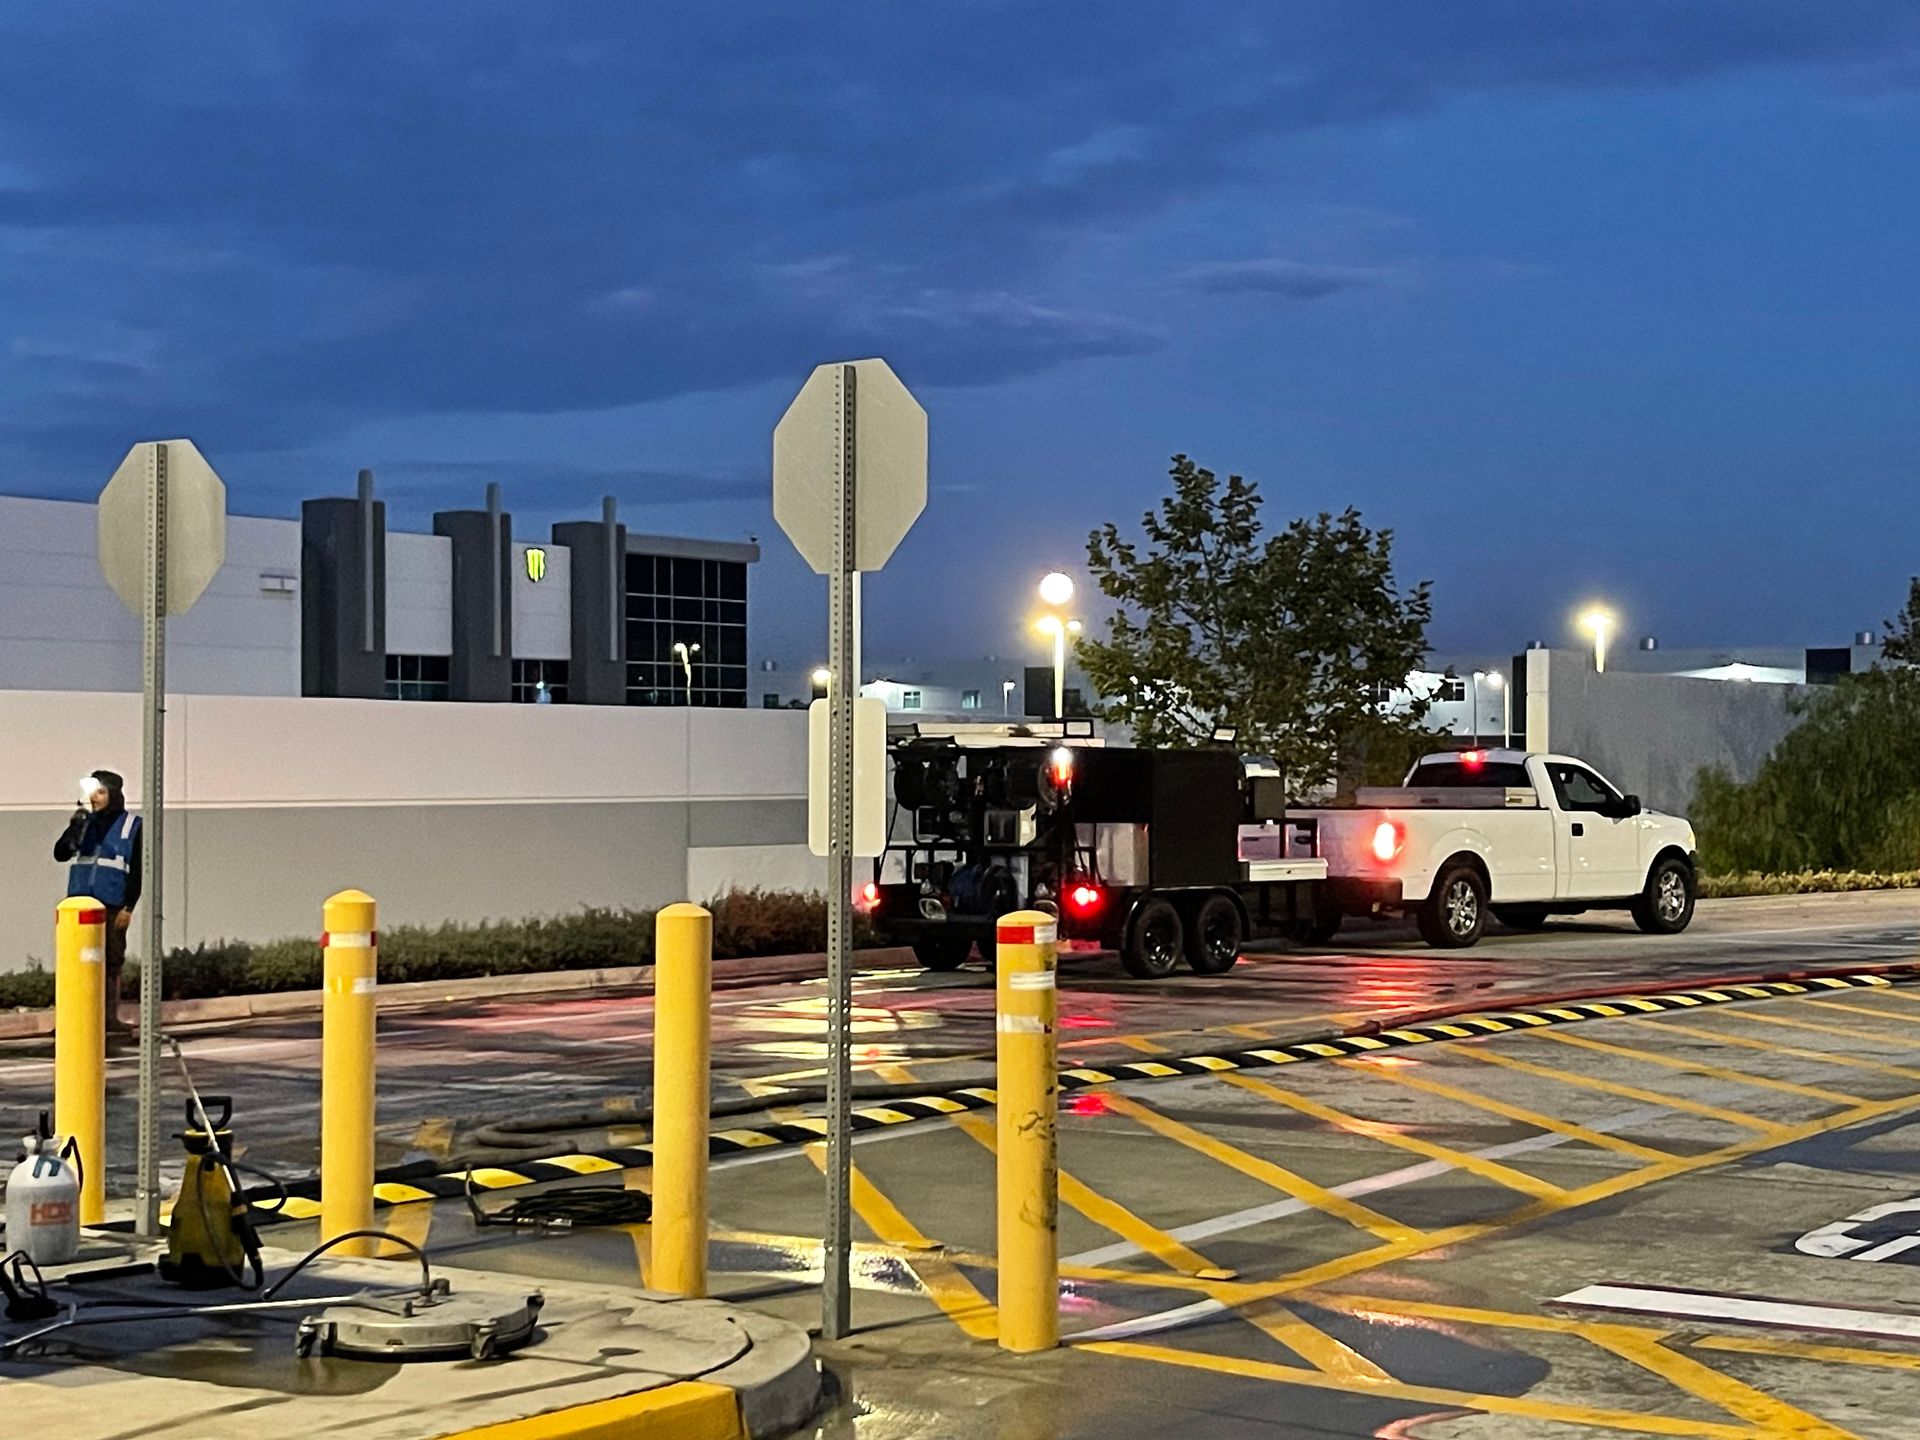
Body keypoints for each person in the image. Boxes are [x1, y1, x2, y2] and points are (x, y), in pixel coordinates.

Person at [54, 770, 142, 1037]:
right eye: (93, 791)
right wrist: (75, 827)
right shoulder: (85, 823)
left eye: (101, 792)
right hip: (80, 904)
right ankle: (70, 1019)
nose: (95, 797)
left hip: (113, 904)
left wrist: (129, 906)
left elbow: (138, 869)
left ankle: (108, 1018)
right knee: (75, 963)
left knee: (111, 962)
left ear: (114, 795)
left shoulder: (131, 826)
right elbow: (60, 854)